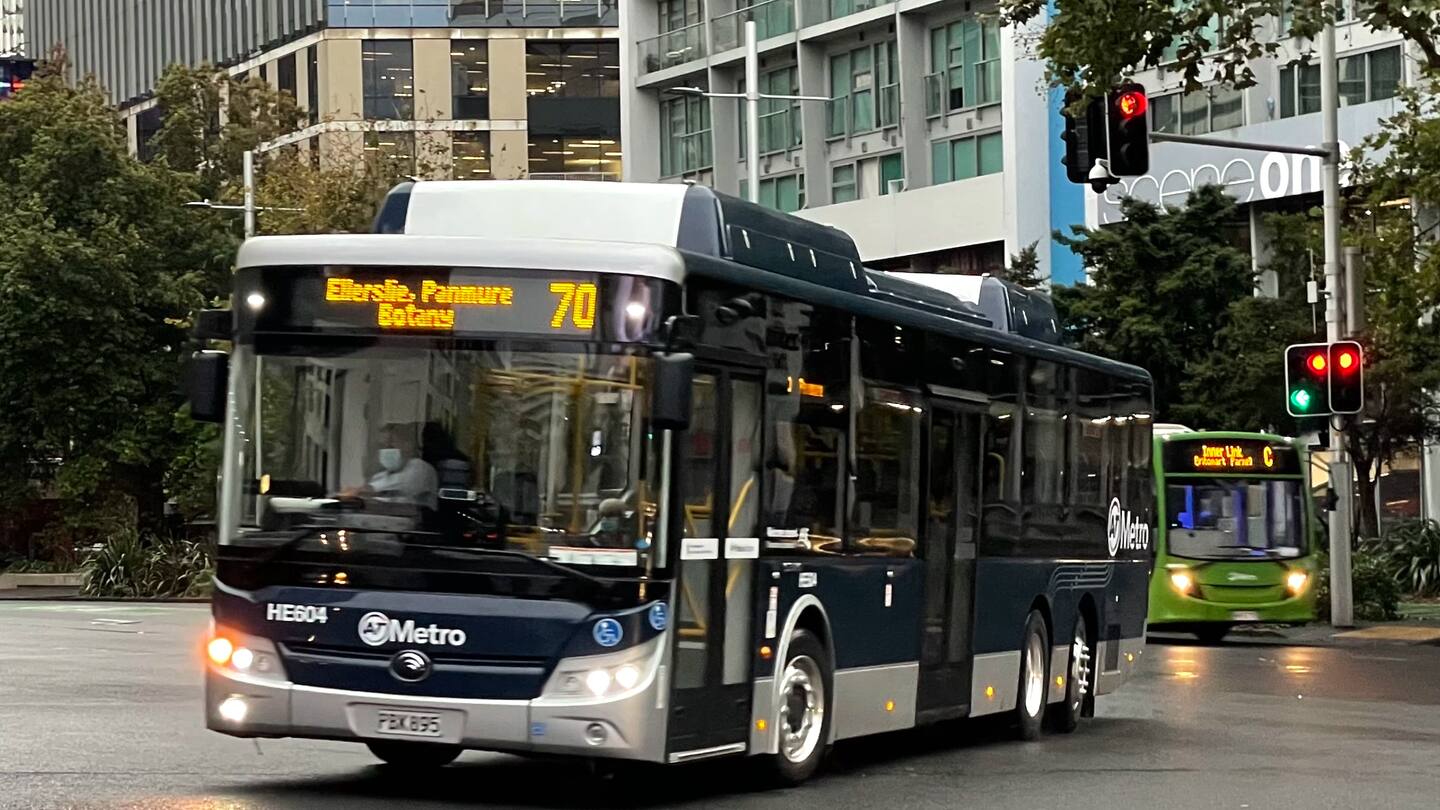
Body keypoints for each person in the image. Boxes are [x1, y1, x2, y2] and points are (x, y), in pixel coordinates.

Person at [357, 422, 439, 511]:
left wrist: (365, 490)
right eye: (382, 446)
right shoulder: (380, 476)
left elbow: (404, 485)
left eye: (391, 445)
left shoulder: (421, 468)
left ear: (408, 445)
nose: (386, 450)